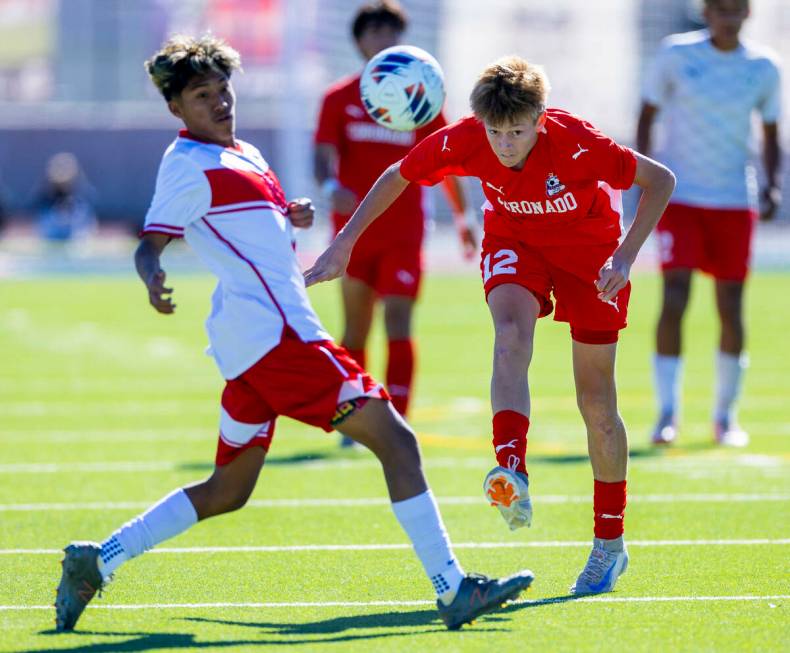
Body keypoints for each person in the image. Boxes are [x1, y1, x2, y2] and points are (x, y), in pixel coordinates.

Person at [53, 34, 533, 634]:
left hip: (252, 346)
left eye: (223, 89)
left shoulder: (245, 153)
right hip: (282, 342)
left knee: (229, 489)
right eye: (203, 96)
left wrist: (290, 215)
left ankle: (96, 560)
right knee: (399, 442)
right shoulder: (187, 167)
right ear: (176, 108)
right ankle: (452, 588)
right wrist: (153, 277)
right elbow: (151, 243)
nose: (220, 102)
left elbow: (250, 232)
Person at [306, 55, 676, 595]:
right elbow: (399, 173)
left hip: (591, 255)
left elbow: (660, 180)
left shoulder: (578, 142)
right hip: (515, 241)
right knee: (510, 338)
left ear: (542, 119)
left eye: (518, 132)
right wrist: (344, 243)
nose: (505, 143)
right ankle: (511, 469)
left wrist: (624, 256)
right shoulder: (466, 138)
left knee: (597, 405)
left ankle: (609, 546)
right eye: (496, 132)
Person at [314, 1, 476, 439]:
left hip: (404, 232)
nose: (384, 41)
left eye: (392, 33)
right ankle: (355, 416)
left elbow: (449, 161)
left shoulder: (420, 98)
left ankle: (397, 417)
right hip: (352, 235)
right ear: (359, 40)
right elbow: (323, 157)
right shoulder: (338, 98)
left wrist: (464, 219)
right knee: (355, 327)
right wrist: (330, 188)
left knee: (400, 321)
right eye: (375, 32)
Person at [637, 0, 782, 448]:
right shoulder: (675, 54)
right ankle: (667, 413)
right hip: (679, 196)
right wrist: (642, 178)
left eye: (736, 8)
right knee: (675, 296)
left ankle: (725, 416)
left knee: (731, 305)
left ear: (748, 13)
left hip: (734, 200)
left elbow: (772, 131)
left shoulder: (763, 67)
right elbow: (646, 116)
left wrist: (772, 185)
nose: (728, 16)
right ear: (706, 12)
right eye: (720, 8)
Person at [36, 152, 97, 243]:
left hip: (75, 238)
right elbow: (43, 226)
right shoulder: (45, 199)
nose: (62, 173)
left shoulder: (81, 200)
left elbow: (86, 226)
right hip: (52, 238)